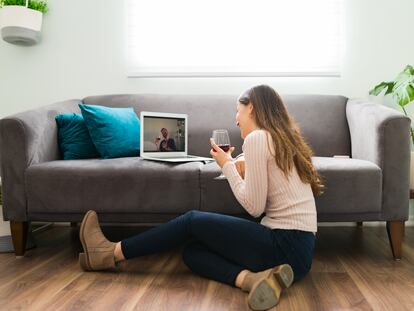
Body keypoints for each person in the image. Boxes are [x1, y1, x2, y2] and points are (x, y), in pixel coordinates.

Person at [78, 85, 324, 310]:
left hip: (284, 243)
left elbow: (253, 206)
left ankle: (109, 253)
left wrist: (226, 164)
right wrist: (238, 163)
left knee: (191, 220)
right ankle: (252, 279)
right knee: (191, 253)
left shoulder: (258, 138)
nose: (236, 120)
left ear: (252, 108)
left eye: (238, 111)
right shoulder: (284, 139)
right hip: (300, 257)